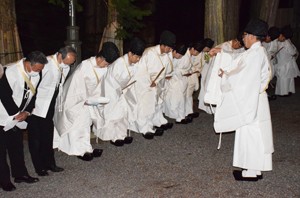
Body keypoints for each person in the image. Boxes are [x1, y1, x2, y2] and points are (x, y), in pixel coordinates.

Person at [210, 18, 274, 181]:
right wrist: (225, 62)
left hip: (251, 101)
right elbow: (239, 65)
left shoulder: (255, 55)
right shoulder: (256, 52)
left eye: (245, 35)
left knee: (251, 134)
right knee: (256, 134)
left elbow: (244, 79)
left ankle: (251, 171)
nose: (243, 38)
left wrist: (226, 75)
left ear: (252, 36)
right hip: (256, 99)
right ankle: (254, 169)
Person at [54, 42, 119, 161]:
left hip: (90, 101)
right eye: (106, 63)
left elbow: (102, 86)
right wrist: (85, 99)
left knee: (85, 125)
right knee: (77, 126)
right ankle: (76, 150)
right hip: (77, 101)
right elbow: (75, 87)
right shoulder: (85, 66)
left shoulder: (104, 68)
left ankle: (86, 148)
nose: (106, 66)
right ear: (101, 58)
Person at [0, 51, 48, 191]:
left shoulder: (36, 73)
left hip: (19, 116)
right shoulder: (10, 72)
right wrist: (16, 114)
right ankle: (4, 180)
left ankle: (20, 174)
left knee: (17, 147)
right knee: (1, 152)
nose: (39, 72)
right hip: (3, 116)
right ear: (28, 63)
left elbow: (33, 94)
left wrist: (27, 112)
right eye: (38, 69)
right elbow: (4, 96)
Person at [27, 46, 77, 176]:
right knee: (36, 139)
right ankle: (39, 167)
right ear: (60, 55)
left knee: (48, 136)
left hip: (51, 105)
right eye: (68, 62)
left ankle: (50, 163)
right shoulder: (47, 64)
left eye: (71, 63)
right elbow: (32, 83)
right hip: (37, 105)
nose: (69, 65)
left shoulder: (65, 66)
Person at [129, 30, 175, 139]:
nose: (169, 50)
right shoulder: (149, 53)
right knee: (146, 106)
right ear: (162, 45)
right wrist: (149, 82)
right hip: (146, 84)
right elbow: (140, 70)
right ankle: (145, 129)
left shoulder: (167, 54)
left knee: (157, 104)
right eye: (168, 47)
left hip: (158, 83)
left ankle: (156, 122)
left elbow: (167, 68)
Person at [101, 37, 146, 146]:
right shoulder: (119, 63)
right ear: (130, 53)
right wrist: (119, 90)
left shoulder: (133, 64)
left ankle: (121, 135)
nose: (138, 59)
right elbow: (111, 81)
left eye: (140, 57)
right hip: (111, 91)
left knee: (123, 114)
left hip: (122, 91)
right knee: (114, 115)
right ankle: (113, 137)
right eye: (137, 56)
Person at [164, 44, 189, 124]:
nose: (180, 57)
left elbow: (178, 69)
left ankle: (181, 116)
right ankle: (177, 116)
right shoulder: (166, 56)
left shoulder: (178, 57)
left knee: (180, 98)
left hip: (176, 79)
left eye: (182, 56)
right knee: (169, 99)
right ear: (174, 51)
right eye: (179, 55)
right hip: (167, 80)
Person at [275, 25, 300, 96]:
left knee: (285, 78)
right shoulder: (279, 41)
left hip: (287, 63)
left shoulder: (286, 42)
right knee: (283, 78)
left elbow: (293, 52)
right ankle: (284, 91)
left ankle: (286, 92)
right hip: (281, 61)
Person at [197, 38, 215, 114]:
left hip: (205, 72)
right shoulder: (198, 51)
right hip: (198, 71)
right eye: (207, 48)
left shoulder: (206, 53)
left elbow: (206, 63)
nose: (207, 49)